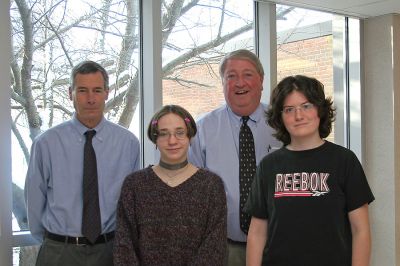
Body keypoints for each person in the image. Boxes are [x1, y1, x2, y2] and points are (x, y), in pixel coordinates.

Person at [244, 75, 375, 266]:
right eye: (289, 110)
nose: (298, 116)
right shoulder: (268, 166)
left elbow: (360, 230)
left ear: (320, 110)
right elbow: (257, 232)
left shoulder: (344, 161)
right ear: (280, 117)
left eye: (306, 106)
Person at [25, 60, 140, 266]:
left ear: (107, 93)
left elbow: (132, 203)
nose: (90, 99)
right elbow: (34, 203)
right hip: (59, 252)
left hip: (110, 251)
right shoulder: (46, 144)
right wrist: (56, 242)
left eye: (97, 90)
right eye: (82, 90)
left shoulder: (128, 143)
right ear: (71, 94)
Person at [188, 49, 281, 265]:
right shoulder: (202, 130)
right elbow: (193, 193)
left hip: (276, 245)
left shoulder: (281, 125)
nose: (240, 83)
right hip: (223, 248)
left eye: (248, 74)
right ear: (222, 83)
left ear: (261, 81)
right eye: (231, 76)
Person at [113, 104, 227, 265]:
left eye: (180, 133)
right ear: (155, 139)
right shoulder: (134, 185)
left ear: (190, 135)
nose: (172, 141)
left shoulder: (211, 185)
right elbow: (124, 246)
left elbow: (215, 247)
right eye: (164, 134)